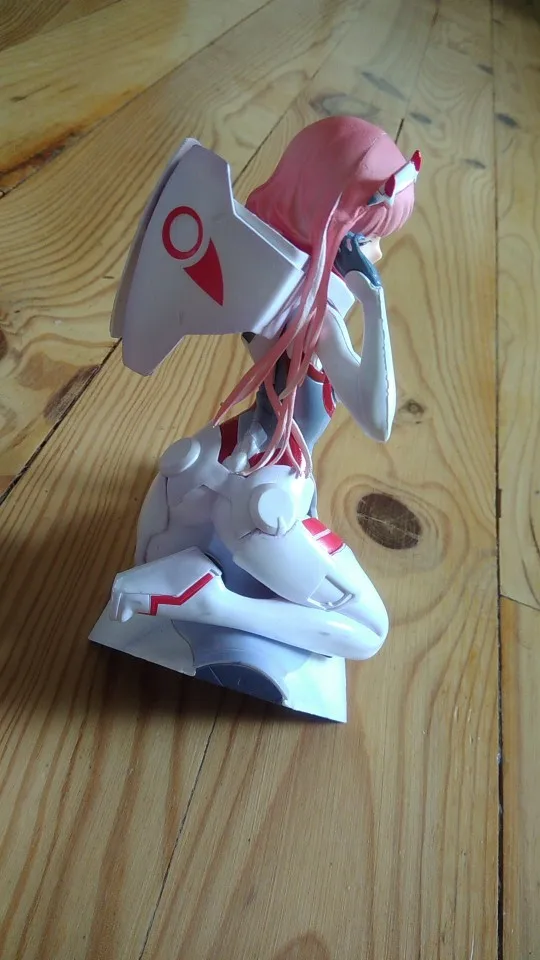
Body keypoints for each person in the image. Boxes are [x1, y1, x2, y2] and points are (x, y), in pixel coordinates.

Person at [107, 116, 420, 663]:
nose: (373, 253)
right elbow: (378, 419)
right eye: (366, 239)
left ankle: (179, 572)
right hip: (268, 491)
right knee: (369, 631)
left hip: (225, 446)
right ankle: (211, 603)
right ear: (339, 233)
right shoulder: (316, 318)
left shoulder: (258, 275)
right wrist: (373, 304)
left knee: (157, 541)